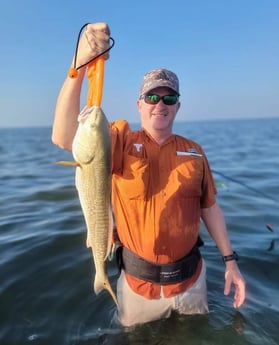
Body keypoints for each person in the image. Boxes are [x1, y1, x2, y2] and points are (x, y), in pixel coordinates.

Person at [52, 22, 246, 327]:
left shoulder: (194, 151)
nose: (160, 105)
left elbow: (209, 207)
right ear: (139, 104)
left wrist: (231, 262)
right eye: (152, 97)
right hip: (138, 289)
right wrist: (78, 67)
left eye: (169, 99)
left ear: (178, 106)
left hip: (192, 281)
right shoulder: (118, 138)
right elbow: (64, 138)